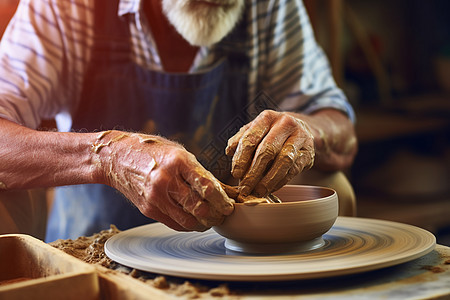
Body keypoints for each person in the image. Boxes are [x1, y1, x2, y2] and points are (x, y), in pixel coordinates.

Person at [0, 0, 357, 242]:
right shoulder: (71, 6)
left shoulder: (267, 6)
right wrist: (109, 155)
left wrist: (309, 131)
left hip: (226, 249)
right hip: (94, 243)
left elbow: (338, 127)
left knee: (333, 183)